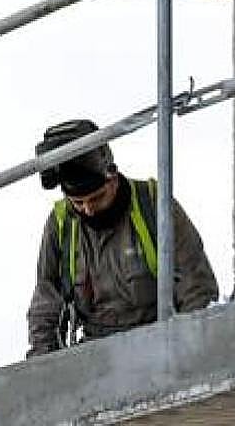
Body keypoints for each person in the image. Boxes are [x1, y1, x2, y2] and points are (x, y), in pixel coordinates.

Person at [26, 120, 219, 357]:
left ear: (112, 177)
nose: (88, 210)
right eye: (78, 202)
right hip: (96, 353)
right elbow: (46, 301)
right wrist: (42, 364)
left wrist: (191, 351)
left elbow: (196, 286)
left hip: (159, 344)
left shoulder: (153, 202)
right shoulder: (60, 223)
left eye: (96, 198)